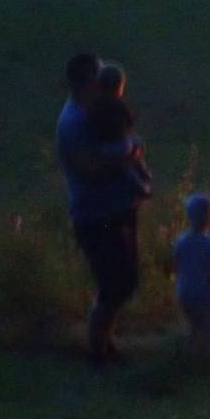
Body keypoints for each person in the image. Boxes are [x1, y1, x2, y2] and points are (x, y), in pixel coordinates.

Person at [56, 53, 146, 364]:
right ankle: (97, 351)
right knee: (114, 284)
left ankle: (106, 345)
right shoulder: (75, 122)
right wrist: (128, 158)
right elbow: (88, 168)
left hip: (115, 209)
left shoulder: (91, 112)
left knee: (124, 281)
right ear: (92, 82)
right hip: (97, 215)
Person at [88, 63, 153, 199]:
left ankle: (140, 175)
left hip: (100, 146)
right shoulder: (119, 105)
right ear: (120, 87)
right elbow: (129, 122)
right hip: (117, 145)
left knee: (131, 149)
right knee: (131, 153)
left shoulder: (95, 105)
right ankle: (141, 180)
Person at [174, 193, 210, 349]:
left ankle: (191, 347)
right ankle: (208, 351)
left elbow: (176, 263)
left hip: (184, 289)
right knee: (209, 323)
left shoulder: (180, 241)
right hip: (203, 291)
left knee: (192, 321)